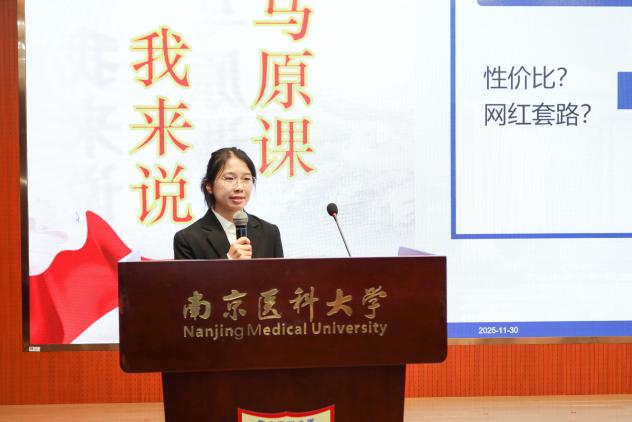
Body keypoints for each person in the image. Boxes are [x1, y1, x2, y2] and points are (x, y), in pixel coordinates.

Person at [173, 147, 283, 260]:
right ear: (209, 185)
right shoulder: (188, 239)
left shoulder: (270, 232)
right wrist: (229, 258)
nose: (239, 187)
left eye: (246, 179)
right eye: (229, 178)